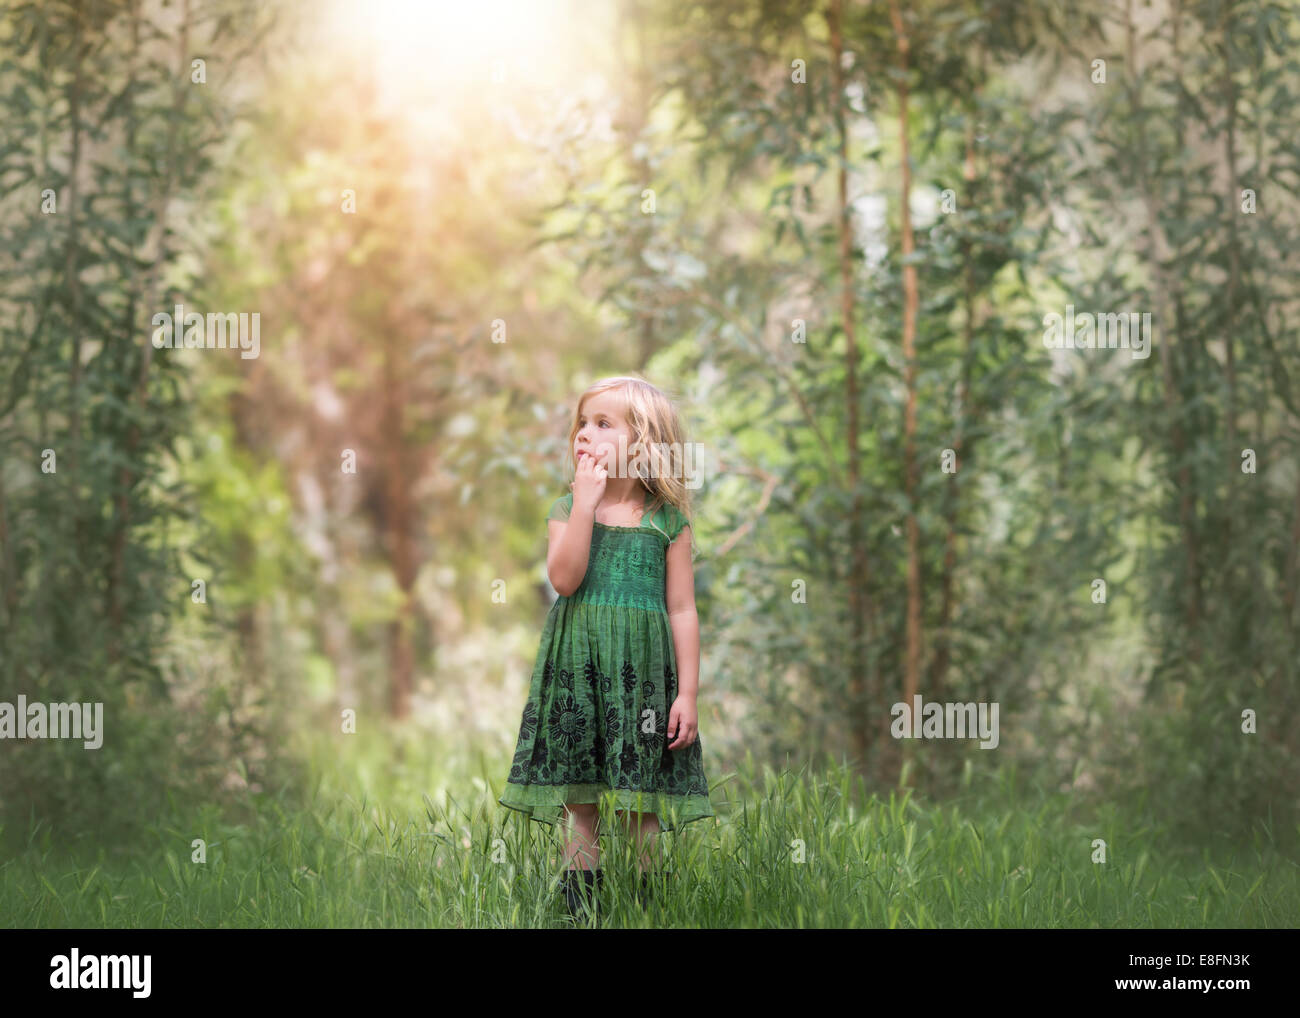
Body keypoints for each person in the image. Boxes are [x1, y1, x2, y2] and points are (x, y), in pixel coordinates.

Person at [498, 375, 714, 924]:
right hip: (580, 672)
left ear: (642, 441)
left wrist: (687, 693)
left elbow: (683, 609)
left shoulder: (667, 521)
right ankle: (581, 914)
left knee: (641, 805)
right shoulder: (568, 507)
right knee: (581, 801)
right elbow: (565, 580)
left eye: (603, 424)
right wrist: (586, 505)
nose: (584, 435)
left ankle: (648, 914)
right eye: (582, 424)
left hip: (642, 680)